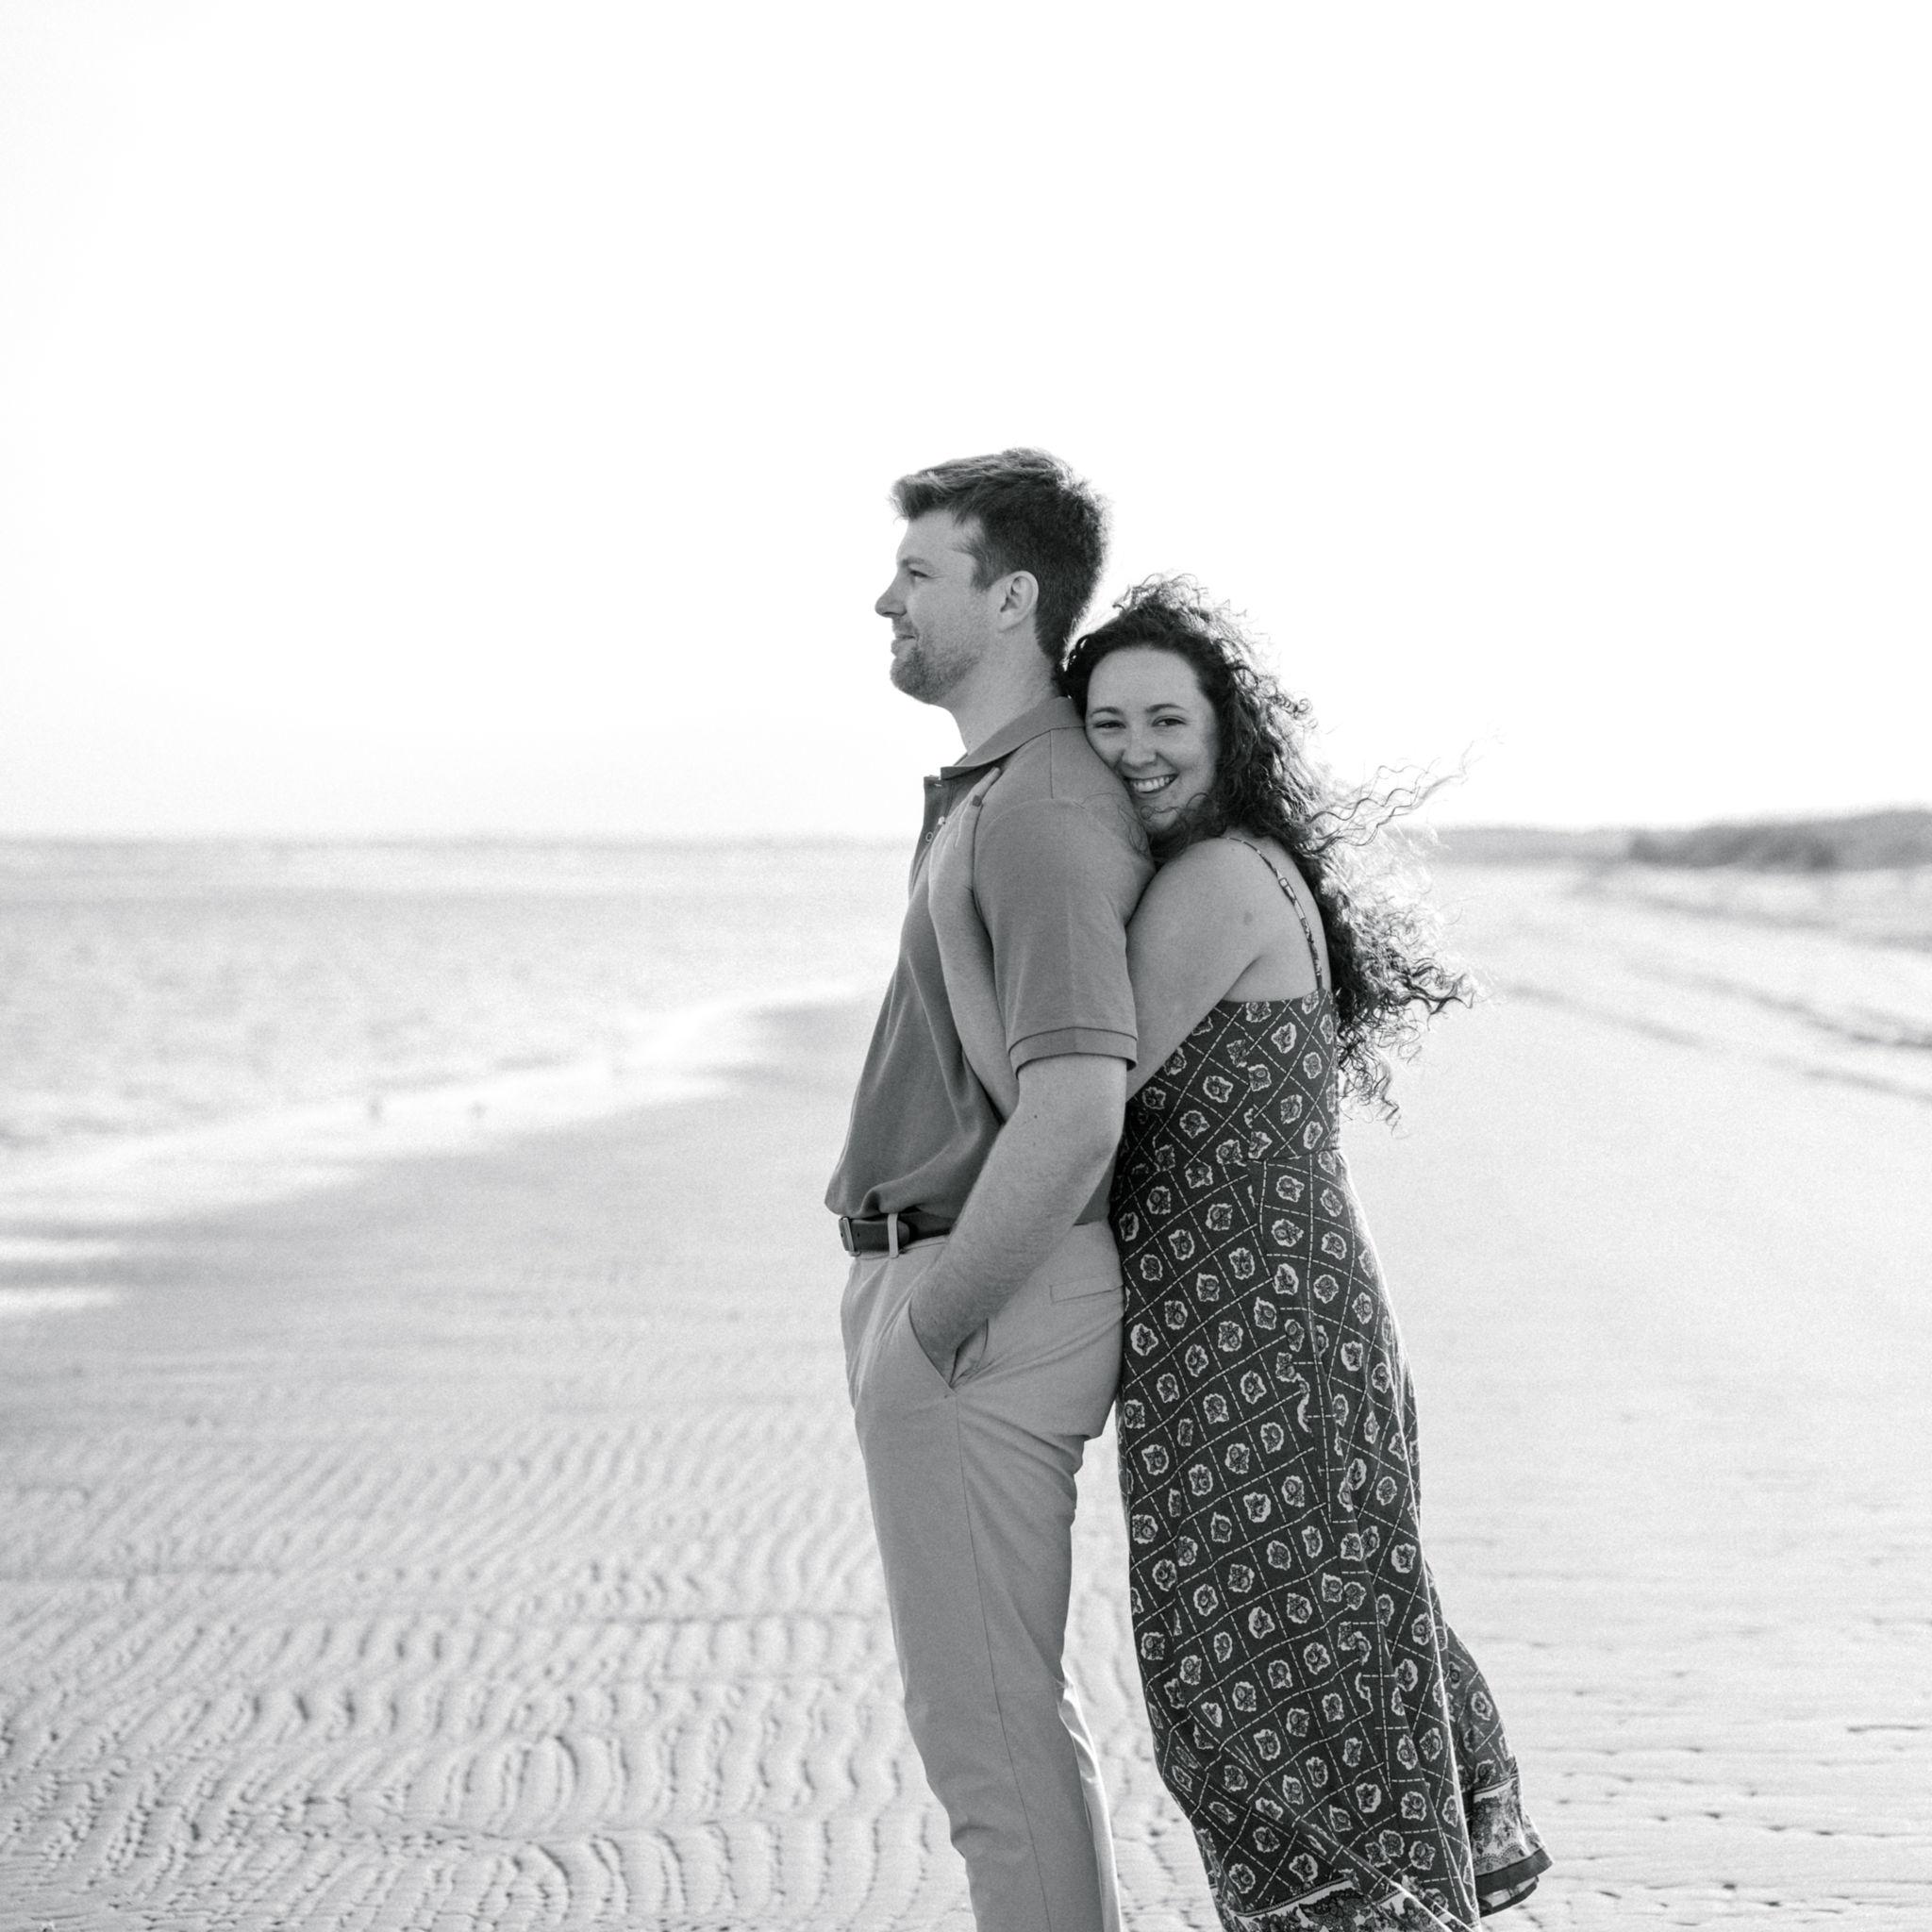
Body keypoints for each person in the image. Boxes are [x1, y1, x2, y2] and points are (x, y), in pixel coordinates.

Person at [929, 578, 1550, 1932]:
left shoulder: (1215, 880)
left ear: (1226, 729)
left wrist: (951, 927)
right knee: (1304, 1664)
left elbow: (1054, 1097)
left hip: (1262, 1338)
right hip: (1251, 1327)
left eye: (1167, 720)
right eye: (1106, 725)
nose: (1136, 750)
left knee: (1270, 1689)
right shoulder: (1240, 864)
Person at [826, 449, 1154, 1932]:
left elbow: (1077, 1106)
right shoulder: (1005, 789)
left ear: (1013, 598)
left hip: (983, 1292)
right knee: (993, 1726)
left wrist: (933, 1325)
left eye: (919, 572)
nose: (881, 600)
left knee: (990, 1737)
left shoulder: (1042, 805)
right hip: (953, 1284)